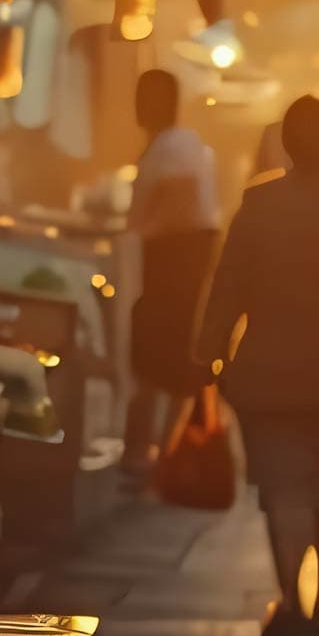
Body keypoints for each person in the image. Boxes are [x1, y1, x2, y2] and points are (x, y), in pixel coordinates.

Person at [195, 97, 319, 636]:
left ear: (286, 144)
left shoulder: (260, 203)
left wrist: (207, 354)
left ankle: (293, 602)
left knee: (286, 493)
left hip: (270, 377)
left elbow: (228, 287)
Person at [123, 69, 221, 478]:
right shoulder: (172, 143)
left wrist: (142, 230)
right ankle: (154, 453)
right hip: (172, 261)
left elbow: (180, 202)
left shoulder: (176, 145)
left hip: (175, 263)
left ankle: (159, 453)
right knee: (158, 358)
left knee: (160, 358)